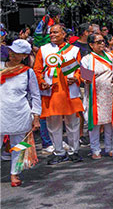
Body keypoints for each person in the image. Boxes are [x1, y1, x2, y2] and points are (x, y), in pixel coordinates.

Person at [33, 23, 83, 164]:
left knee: (73, 123)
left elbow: (80, 69)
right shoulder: (44, 50)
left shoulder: (74, 50)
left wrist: (77, 78)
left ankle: (74, 150)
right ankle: (59, 152)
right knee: (53, 124)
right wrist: (42, 81)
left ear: (64, 34)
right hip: (52, 92)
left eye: (56, 32)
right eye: (51, 33)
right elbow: (37, 70)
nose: (52, 35)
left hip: (69, 93)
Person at [1, 39, 41, 187]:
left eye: (16, 52)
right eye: (11, 50)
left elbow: (36, 96)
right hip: (1, 112)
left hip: (20, 114)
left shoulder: (28, 73)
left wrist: (36, 116)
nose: (12, 54)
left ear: (24, 56)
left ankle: (14, 173)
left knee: (19, 145)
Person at [81, 33, 113, 159]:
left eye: (103, 41)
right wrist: (86, 80)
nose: (102, 44)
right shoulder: (87, 59)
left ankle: (109, 147)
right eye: (98, 42)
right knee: (95, 122)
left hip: (109, 94)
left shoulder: (110, 56)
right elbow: (85, 78)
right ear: (91, 45)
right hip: (95, 94)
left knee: (109, 122)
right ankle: (95, 149)